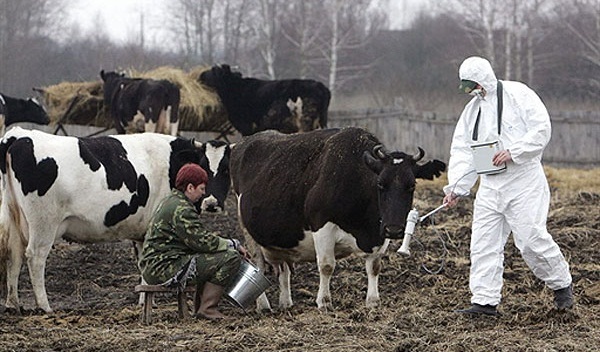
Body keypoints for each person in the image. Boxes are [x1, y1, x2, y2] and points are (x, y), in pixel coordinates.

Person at [443, 56, 573, 316]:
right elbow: (463, 151)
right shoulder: (472, 111)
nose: (473, 91)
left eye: (475, 86)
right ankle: (484, 302)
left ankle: (562, 286)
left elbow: (541, 129)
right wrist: (456, 187)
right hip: (490, 186)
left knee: (530, 240)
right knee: (483, 243)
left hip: (523, 181)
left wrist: (515, 151)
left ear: (484, 80)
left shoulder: (519, 94)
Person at [138, 163, 249, 319]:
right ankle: (208, 308)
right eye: (201, 189)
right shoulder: (181, 209)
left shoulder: (171, 201)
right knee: (230, 258)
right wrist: (233, 244)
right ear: (190, 187)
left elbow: (196, 239)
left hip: (155, 265)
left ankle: (200, 308)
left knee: (209, 258)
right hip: (164, 268)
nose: (203, 194)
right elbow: (201, 241)